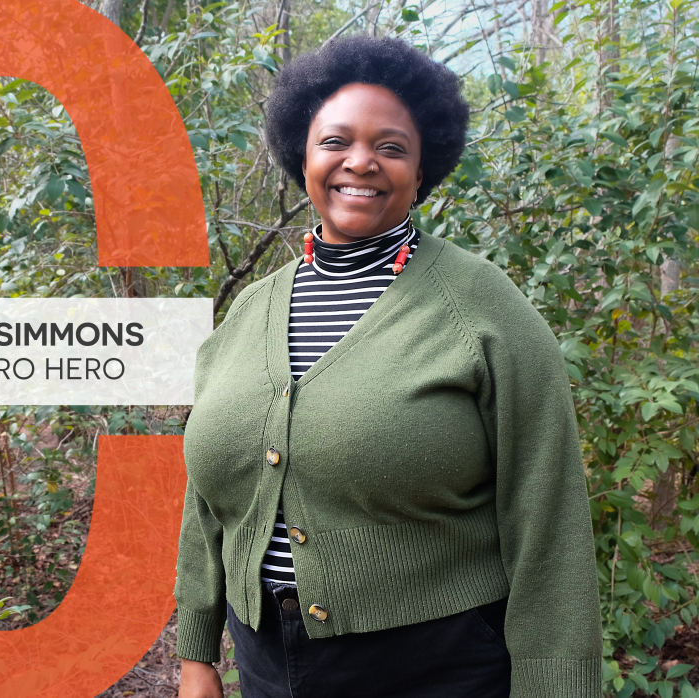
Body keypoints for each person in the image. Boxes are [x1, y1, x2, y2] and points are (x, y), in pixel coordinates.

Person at [175, 34, 602, 698]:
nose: (361, 162)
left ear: (422, 167)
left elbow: (547, 519)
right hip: (266, 664)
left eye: (391, 147)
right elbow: (208, 496)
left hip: (435, 666)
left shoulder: (481, 307)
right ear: (302, 156)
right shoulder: (248, 314)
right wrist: (197, 650)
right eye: (336, 141)